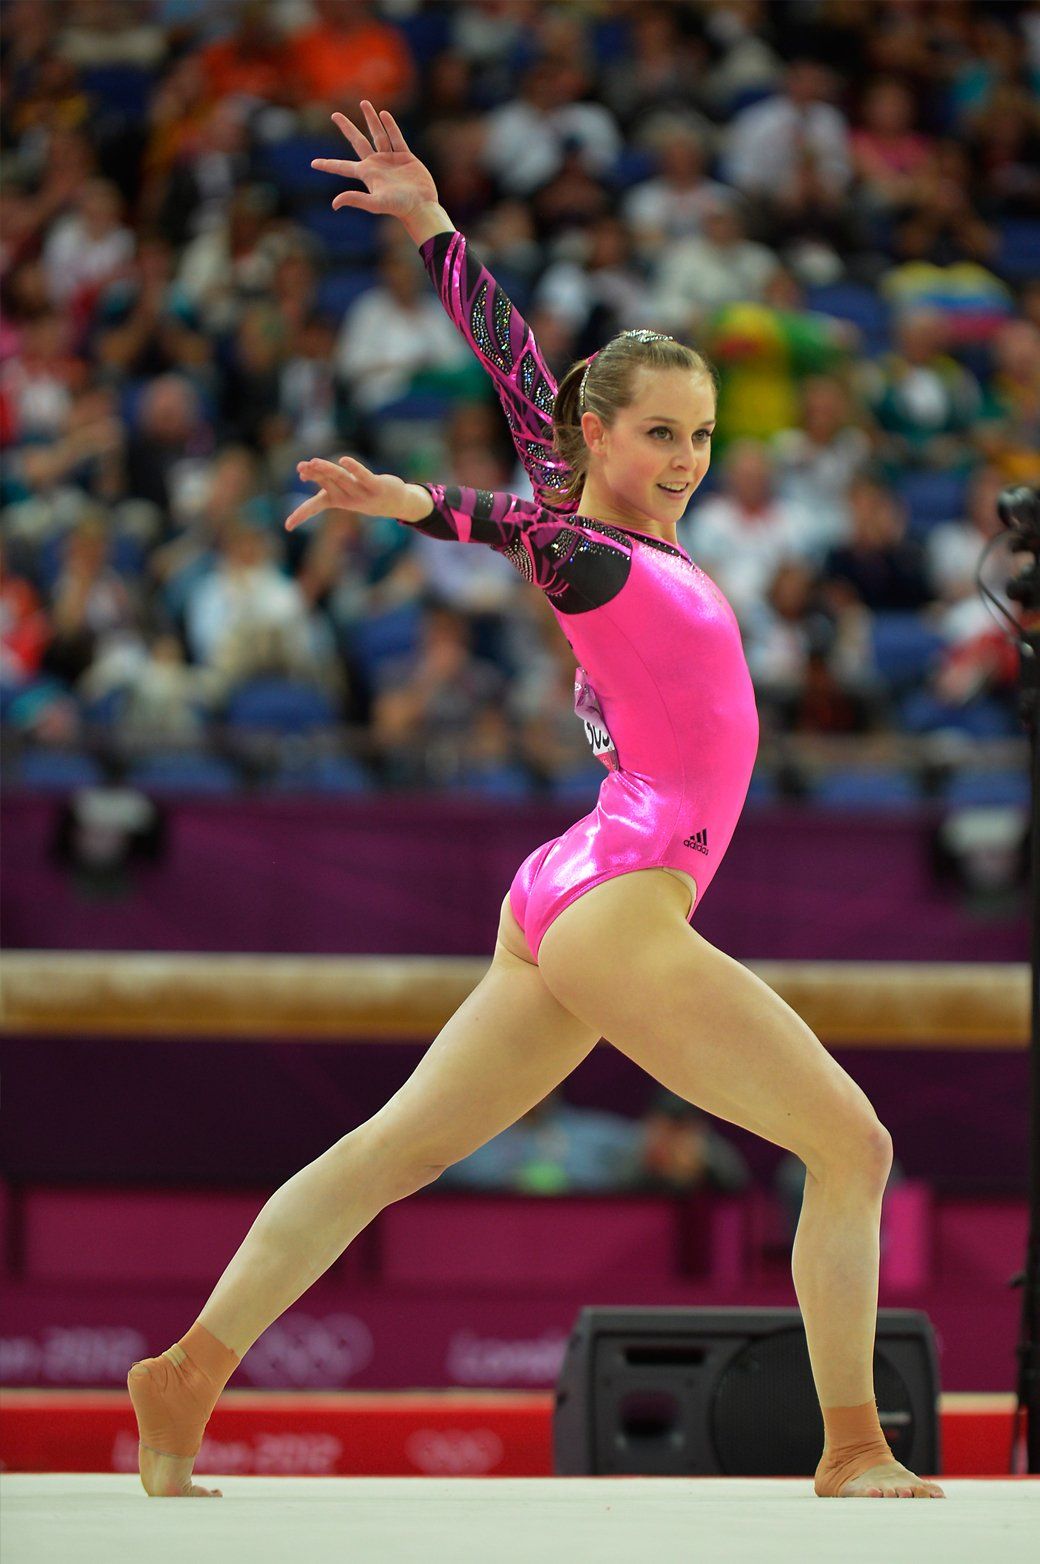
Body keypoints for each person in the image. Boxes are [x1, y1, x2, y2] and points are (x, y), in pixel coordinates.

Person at [126, 102, 944, 1503]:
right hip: (620, 900)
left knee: (393, 1149)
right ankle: (855, 1446)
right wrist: (424, 506)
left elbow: (514, 364)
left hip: (573, 886)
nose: (684, 457)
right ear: (597, 434)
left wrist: (439, 229)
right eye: (657, 435)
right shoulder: (590, 553)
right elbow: (524, 520)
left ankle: (188, 1370)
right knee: (852, 1145)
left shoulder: (622, 526)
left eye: (699, 433)